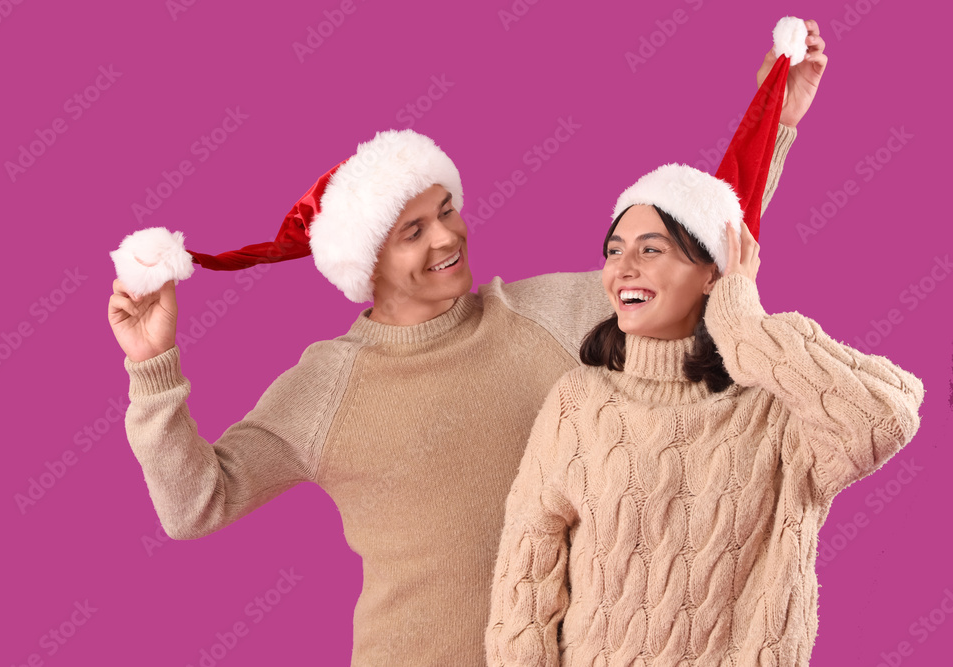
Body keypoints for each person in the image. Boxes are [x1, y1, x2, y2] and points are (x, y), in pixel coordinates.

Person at [108, 20, 826, 666]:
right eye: (413, 230)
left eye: (447, 211)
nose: (448, 236)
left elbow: (697, 252)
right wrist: (152, 365)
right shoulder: (327, 385)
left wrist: (776, 122)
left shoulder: (545, 314)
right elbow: (195, 503)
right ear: (366, 265)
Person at [484, 170, 925, 664]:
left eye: (650, 250)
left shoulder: (777, 406)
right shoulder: (578, 403)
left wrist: (742, 324)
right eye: (614, 250)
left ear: (712, 273)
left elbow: (884, 417)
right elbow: (523, 588)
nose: (623, 267)